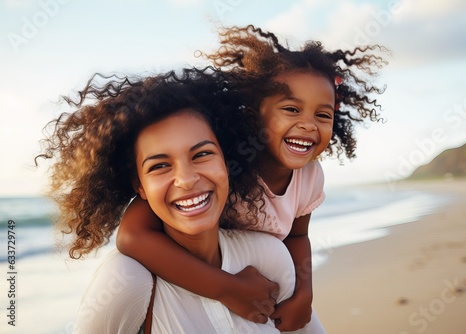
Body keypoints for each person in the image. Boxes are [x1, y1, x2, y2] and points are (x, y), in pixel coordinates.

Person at [117, 25, 387, 332]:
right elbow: (132, 236)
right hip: (196, 283)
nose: (308, 125)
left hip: (262, 287)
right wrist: (227, 288)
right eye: (291, 109)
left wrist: (304, 294)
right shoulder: (226, 164)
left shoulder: (310, 176)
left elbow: (297, 237)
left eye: (322, 115)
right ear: (254, 113)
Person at [36, 68, 308, 333]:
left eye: (201, 154)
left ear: (226, 160)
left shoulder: (269, 258)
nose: (186, 180)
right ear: (139, 187)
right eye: (159, 166)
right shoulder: (126, 282)